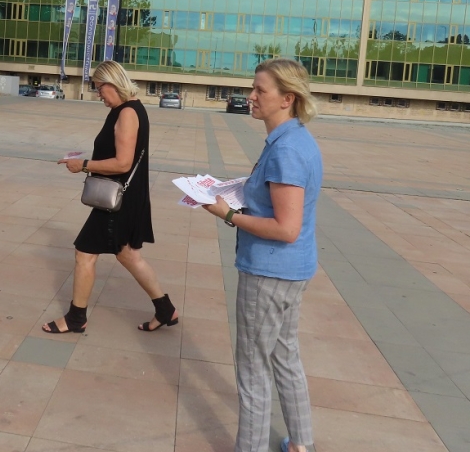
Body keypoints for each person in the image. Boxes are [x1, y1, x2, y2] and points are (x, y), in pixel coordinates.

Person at [202, 58, 322, 452]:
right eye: (252, 88)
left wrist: (229, 214)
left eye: (260, 90)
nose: (250, 96)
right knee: (285, 356)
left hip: (269, 273)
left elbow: (286, 228)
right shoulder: (296, 139)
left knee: (253, 370)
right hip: (291, 271)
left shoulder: (286, 150)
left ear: (288, 98)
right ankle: (301, 443)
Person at [44, 60, 179, 333]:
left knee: (85, 253)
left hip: (117, 201)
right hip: (126, 197)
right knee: (128, 255)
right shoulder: (130, 108)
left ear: (112, 83)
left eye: (99, 88)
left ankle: (76, 318)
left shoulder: (127, 113)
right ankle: (166, 310)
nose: (99, 95)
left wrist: (83, 165)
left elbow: (122, 163)